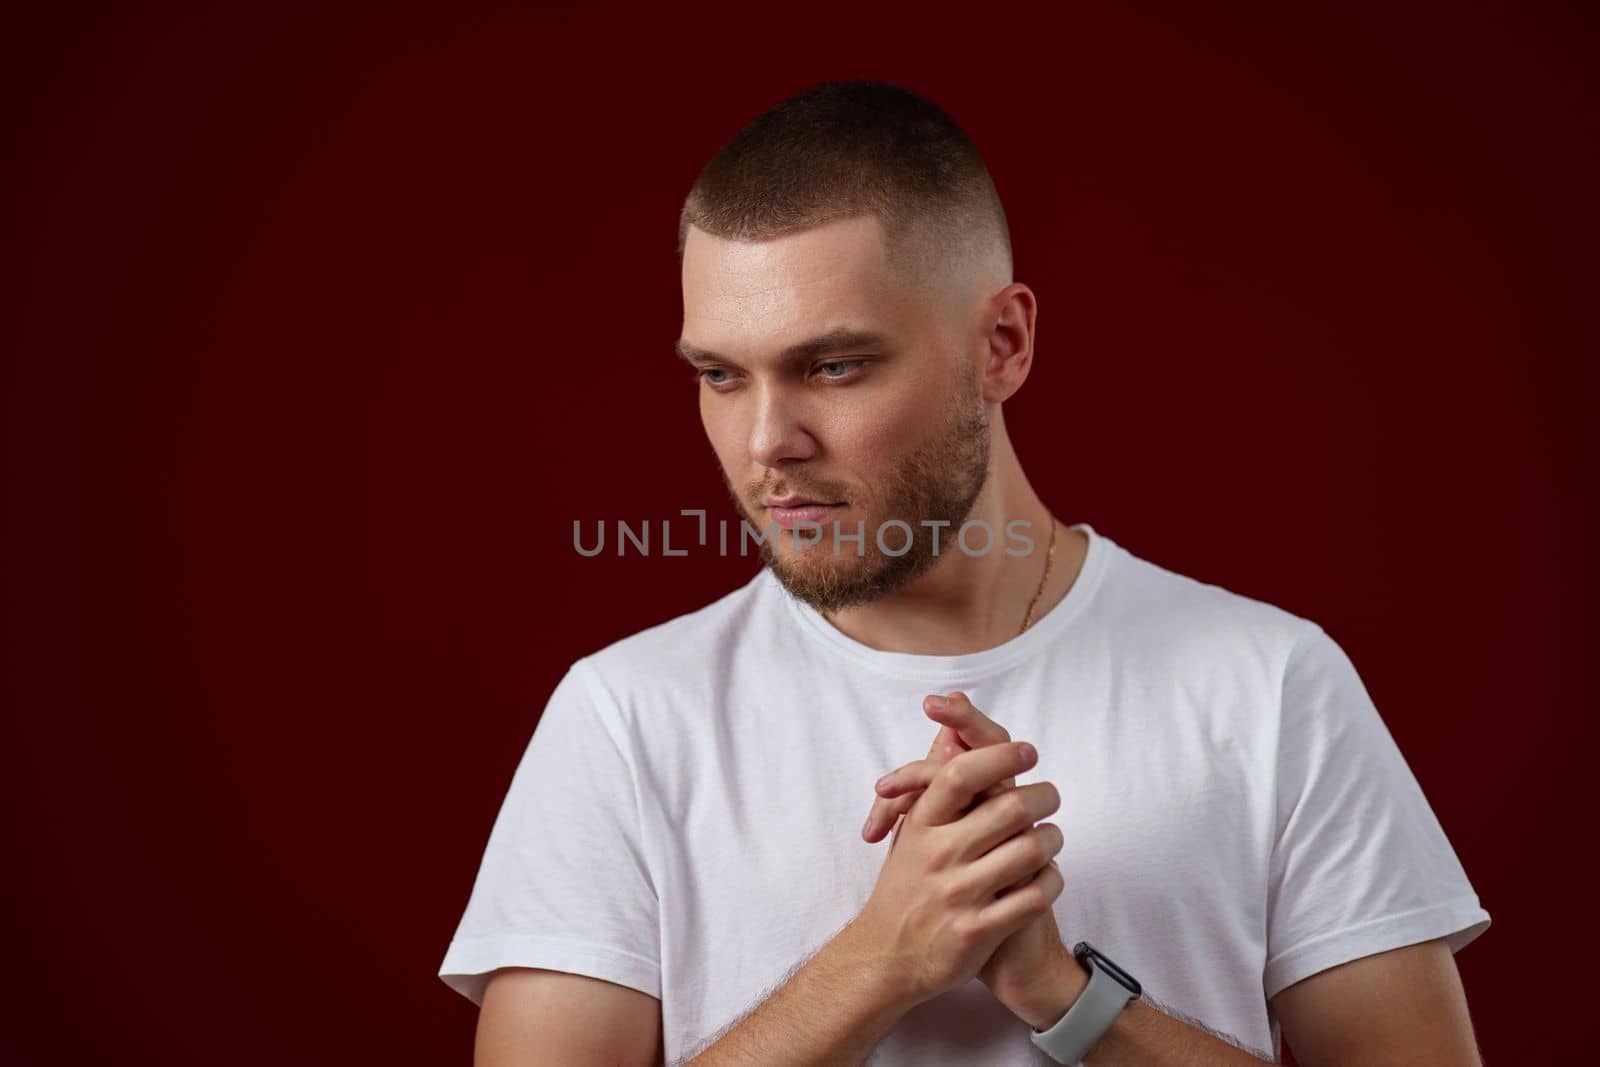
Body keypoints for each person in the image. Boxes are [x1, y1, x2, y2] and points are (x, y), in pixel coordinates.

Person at [437, 80, 1490, 1066]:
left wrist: (1060, 992)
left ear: (1002, 343)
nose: (767, 442)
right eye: (720, 374)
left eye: (833, 365)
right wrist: (877, 964)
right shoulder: (627, 716)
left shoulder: (1269, 685)